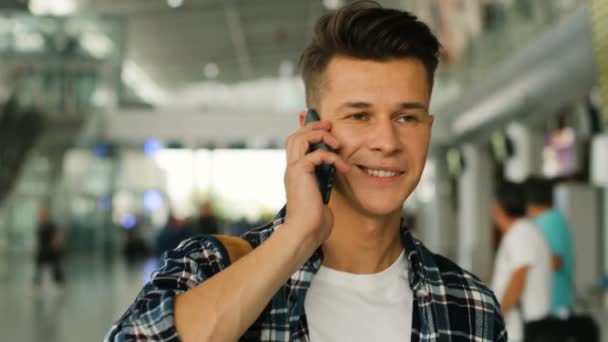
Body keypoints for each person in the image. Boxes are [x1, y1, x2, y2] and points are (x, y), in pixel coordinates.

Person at [107, 2, 506, 341]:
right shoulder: (212, 267)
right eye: (359, 115)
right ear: (311, 128)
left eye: (406, 117)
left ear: (428, 129)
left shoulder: (469, 305)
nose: (386, 141)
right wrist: (297, 236)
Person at [491, 181, 551, 341]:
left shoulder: (521, 233)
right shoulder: (521, 231)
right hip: (521, 323)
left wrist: (495, 319)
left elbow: (518, 280)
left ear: (497, 208)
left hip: (523, 326)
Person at [525, 176, 575, 318]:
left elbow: (556, 261)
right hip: (550, 304)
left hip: (554, 305)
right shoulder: (549, 219)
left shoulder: (549, 221)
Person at [33, 206, 65, 286]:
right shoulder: (40, 226)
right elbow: (38, 238)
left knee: (56, 266)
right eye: (40, 215)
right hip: (42, 249)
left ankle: (59, 282)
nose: (41, 216)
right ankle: (37, 282)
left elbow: (56, 236)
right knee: (39, 266)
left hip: (51, 248)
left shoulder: (51, 225)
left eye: (43, 214)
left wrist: (56, 245)